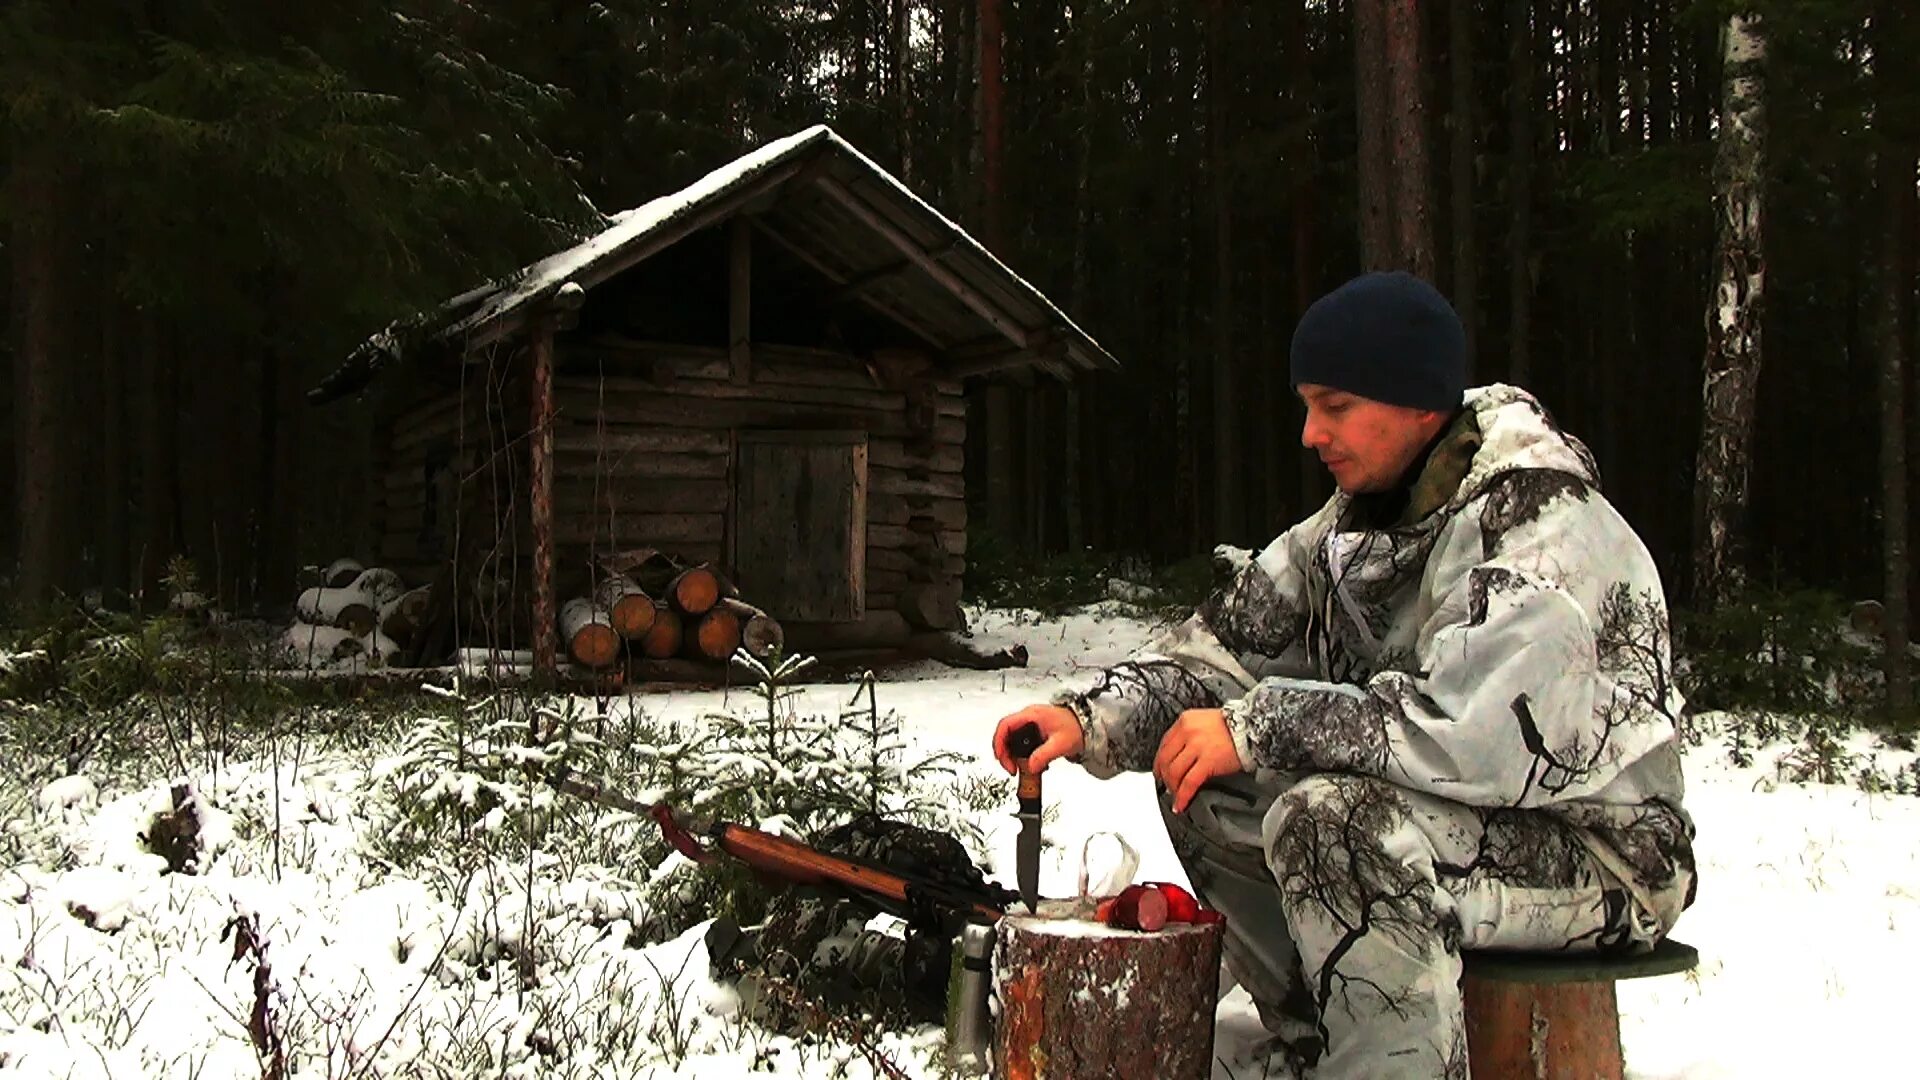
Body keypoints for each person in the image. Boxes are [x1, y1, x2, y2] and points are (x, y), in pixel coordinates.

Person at [991, 271, 1695, 1079]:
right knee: (1199, 776)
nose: (1310, 434)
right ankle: (1316, 1042)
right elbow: (1224, 648)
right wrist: (1089, 718)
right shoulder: (1354, 522)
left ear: (1418, 402)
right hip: (1454, 819)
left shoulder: (1538, 523)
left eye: (1335, 406)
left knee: (1336, 822)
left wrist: (1262, 725)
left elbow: (1476, 738)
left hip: (1600, 853)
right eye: (1307, 406)